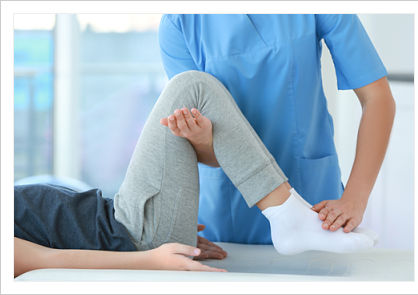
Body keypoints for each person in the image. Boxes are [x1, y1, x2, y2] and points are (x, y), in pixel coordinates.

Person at [14, 71, 376, 278]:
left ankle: (288, 214)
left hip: (121, 223)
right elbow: (45, 261)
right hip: (125, 235)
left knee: (193, 94)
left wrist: (166, 224)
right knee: (192, 89)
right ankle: (287, 215)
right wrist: (149, 258)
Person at [158, 14, 396, 244]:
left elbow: (377, 97)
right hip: (228, 214)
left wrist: (356, 198)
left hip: (314, 203)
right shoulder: (179, 20)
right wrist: (201, 140)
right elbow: (202, 147)